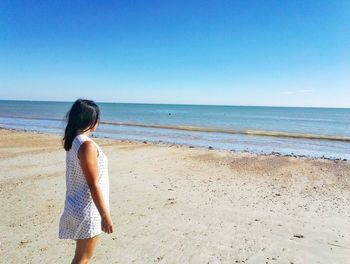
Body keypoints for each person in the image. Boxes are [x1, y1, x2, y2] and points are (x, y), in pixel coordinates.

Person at [58, 99, 113, 264]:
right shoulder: (86, 145)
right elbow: (93, 183)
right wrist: (105, 215)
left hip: (78, 204)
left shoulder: (74, 140)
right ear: (91, 120)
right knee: (83, 258)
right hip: (88, 209)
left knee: (81, 257)